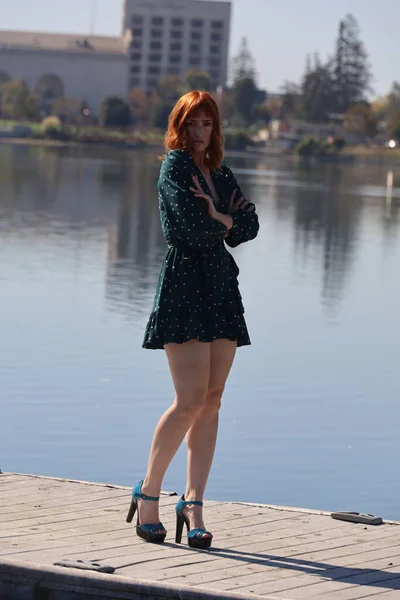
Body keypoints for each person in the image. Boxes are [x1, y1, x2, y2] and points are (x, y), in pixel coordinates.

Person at [126, 91, 259, 549]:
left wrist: (218, 214)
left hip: (220, 287)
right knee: (188, 400)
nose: (199, 131)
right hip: (185, 283)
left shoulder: (218, 173)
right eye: (191, 123)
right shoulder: (175, 168)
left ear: (215, 128)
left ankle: (194, 502)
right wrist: (222, 219)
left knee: (213, 400)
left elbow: (249, 225)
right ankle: (147, 493)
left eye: (206, 123)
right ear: (178, 126)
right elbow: (186, 227)